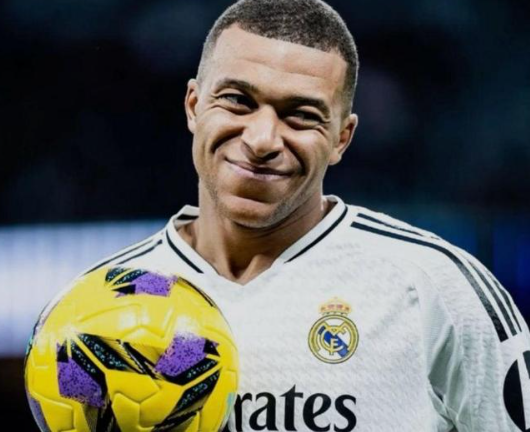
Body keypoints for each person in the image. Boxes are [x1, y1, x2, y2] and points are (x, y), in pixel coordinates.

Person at [84, 0, 530, 430]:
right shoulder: (97, 307)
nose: (262, 139)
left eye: (300, 115)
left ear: (341, 138)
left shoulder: (434, 287)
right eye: (237, 100)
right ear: (193, 106)